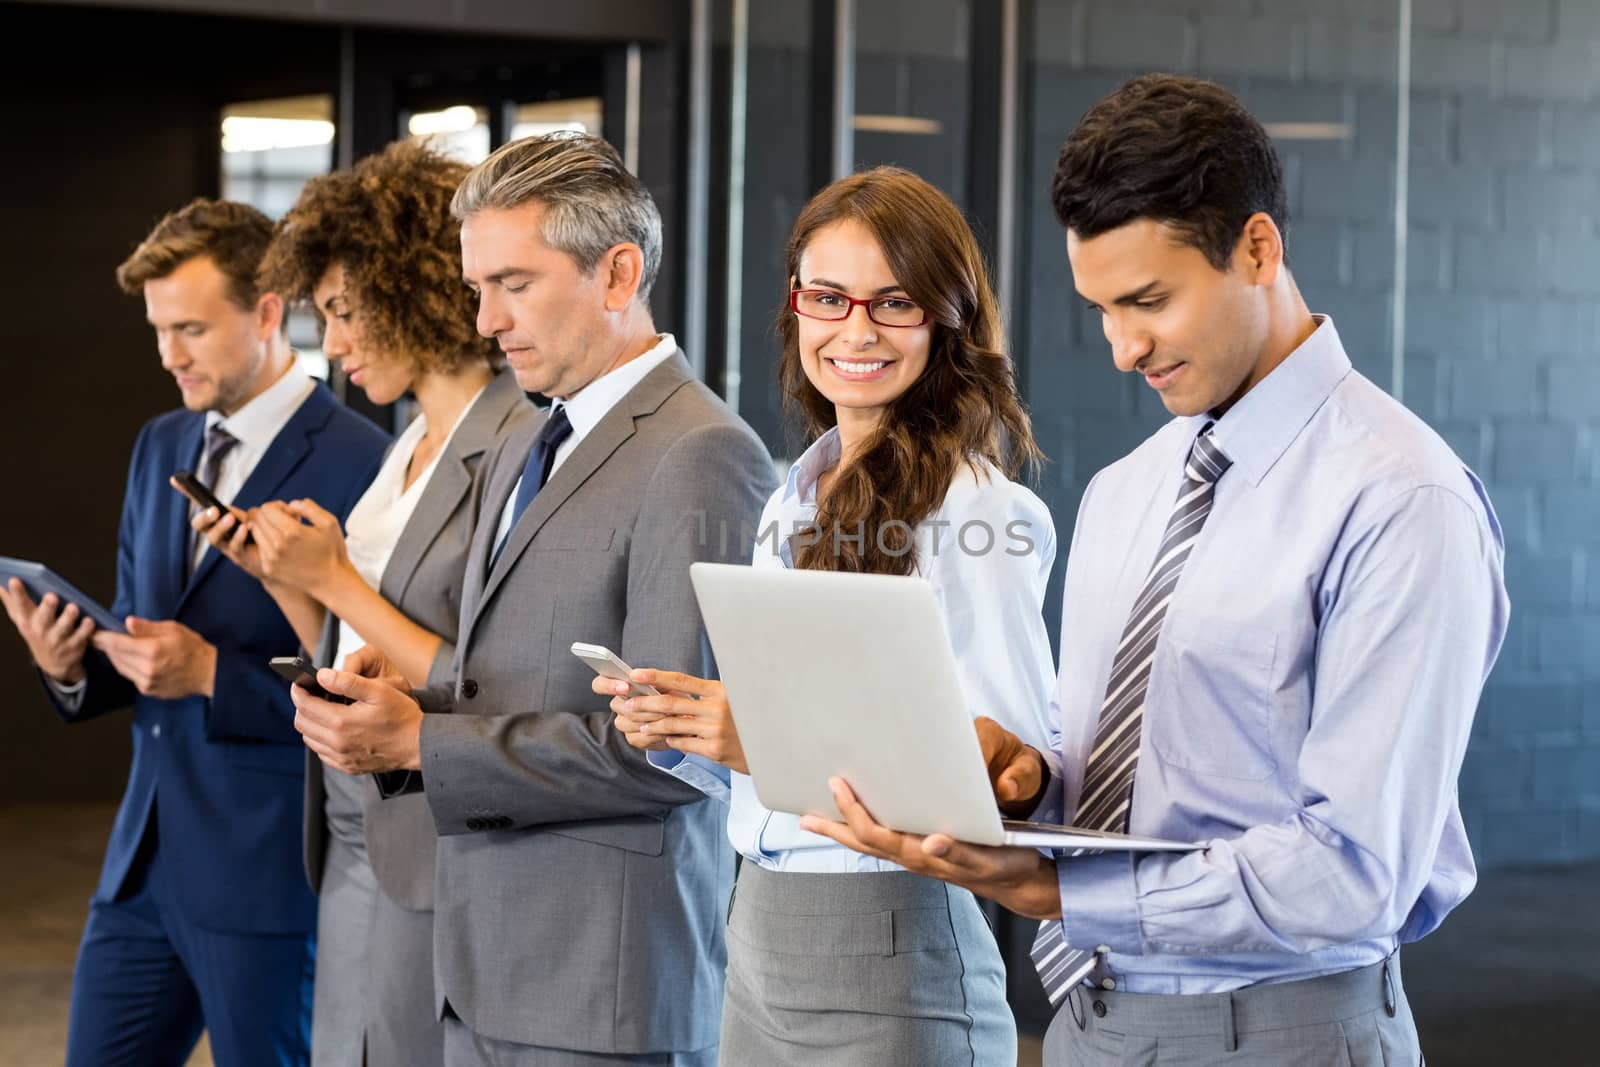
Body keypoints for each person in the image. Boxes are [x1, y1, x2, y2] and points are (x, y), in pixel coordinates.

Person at [802, 75, 1509, 1065]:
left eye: (1148, 301)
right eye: (1099, 308)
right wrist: (1028, 775)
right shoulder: (1128, 489)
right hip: (1093, 1021)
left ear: (1257, 249)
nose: (1123, 347)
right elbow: (1117, 761)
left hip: (1284, 1028)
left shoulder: (1400, 497)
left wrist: (1056, 890)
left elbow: (1354, 868)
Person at [281, 132, 775, 1066]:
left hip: (600, 987)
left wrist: (418, 741)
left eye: (513, 282)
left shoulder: (702, 452)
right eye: (476, 288)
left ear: (617, 273)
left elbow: (670, 753)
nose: (484, 319)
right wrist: (409, 702)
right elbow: (497, 680)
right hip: (474, 968)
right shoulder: (526, 439)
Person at [599, 166, 1058, 1065]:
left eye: (895, 303)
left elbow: (1002, 778)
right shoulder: (794, 494)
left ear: (948, 319)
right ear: (796, 307)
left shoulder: (978, 511)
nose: (857, 329)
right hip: (759, 932)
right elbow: (784, 787)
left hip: (890, 951)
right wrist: (695, 729)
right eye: (830, 297)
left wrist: (767, 734)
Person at [0, 198, 389, 1066]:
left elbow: (375, 687)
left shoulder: (363, 461)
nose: (168, 354)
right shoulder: (159, 442)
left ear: (264, 312)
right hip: (140, 870)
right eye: (157, 329)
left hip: (269, 876)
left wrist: (216, 673)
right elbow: (145, 641)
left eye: (190, 329)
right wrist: (70, 665)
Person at [195, 139, 534, 1067]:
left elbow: (490, 672)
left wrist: (336, 577)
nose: (333, 345)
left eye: (345, 313)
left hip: (432, 822)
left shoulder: (518, 438)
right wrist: (290, 580)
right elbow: (352, 643)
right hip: (352, 818)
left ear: (417, 285)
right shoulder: (408, 442)